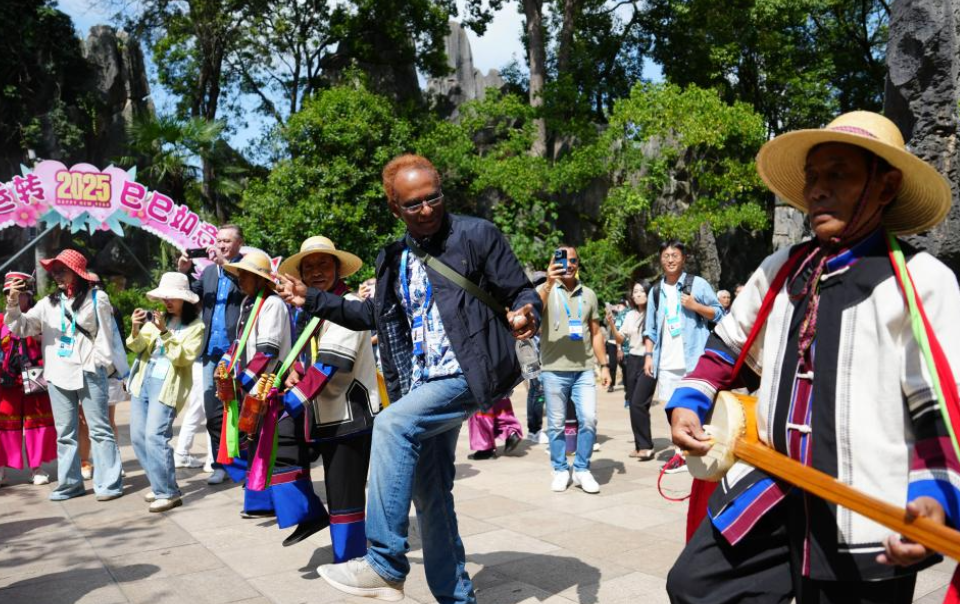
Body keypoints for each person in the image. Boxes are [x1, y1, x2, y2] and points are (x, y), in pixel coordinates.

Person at [664, 111, 960, 603]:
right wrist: (688, 403)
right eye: (813, 177)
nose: (818, 190)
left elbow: (938, 412)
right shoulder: (783, 269)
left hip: (867, 508)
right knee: (695, 585)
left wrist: (932, 501)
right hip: (774, 489)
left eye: (838, 174)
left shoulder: (922, 282)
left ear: (885, 186)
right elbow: (727, 345)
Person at [277, 153, 539, 603]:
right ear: (394, 207)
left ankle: (384, 562)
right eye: (413, 204)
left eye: (433, 197)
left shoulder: (477, 235)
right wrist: (311, 299)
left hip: (468, 371)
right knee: (430, 493)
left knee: (392, 424)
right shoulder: (392, 256)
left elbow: (520, 290)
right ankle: (457, 598)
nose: (426, 209)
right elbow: (371, 315)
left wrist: (527, 310)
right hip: (419, 382)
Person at [269, 236, 381, 557]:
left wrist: (290, 402)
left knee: (344, 492)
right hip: (321, 410)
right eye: (309, 267)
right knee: (279, 439)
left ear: (337, 269)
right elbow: (309, 358)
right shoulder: (311, 309)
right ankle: (308, 514)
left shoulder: (350, 304)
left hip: (350, 414)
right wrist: (293, 373)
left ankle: (349, 556)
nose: (316, 272)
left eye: (323, 264)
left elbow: (330, 363)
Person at [3, 249, 123, 501]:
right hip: (57, 375)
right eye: (54, 271)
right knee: (65, 433)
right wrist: (12, 303)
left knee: (100, 430)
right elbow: (21, 327)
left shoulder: (97, 298)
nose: (57, 275)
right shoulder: (47, 304)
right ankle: (70, 485)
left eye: (62, 270)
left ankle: (109, 484)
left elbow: (106, 335)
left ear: (77, 272)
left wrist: (100, 363)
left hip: (89, 371)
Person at [126, 272, 204, 512]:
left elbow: (183, 358)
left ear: (185, 299)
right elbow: (137, 346)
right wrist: (136, 327)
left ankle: (168, 492)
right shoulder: (158, 319)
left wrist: (164, 332)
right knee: (138, 437)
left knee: (155, 436)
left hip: (167, 386)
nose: (167, 301)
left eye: (172, 297)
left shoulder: (196, 326)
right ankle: (159, 483)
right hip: (143, 381)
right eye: (165, 297)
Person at [219, 251, 291, 506]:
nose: (240, 279)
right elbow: (239, 342)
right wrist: (225, 364)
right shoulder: (248, 303)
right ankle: (257, 499)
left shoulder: (272, 304)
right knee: (253, 440)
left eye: (246, 275)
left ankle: (266, 501)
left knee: (264, 442)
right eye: (240, 274)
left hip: (266, 382)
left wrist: (243, 380)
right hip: (252, 382)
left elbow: (268, 350)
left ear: (261, 279)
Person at [644, 241, 722, 474]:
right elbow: (650, 329)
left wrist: (695, 306)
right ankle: (681, 454)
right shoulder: (655, 291)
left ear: (683, 258)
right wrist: (648, 356)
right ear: (660, 259)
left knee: (698, 409)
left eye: (675, 255)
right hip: (666, 361)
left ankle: (701, 450)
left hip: (694, 358)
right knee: (673, 409)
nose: (670, 260)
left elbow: (720, 313)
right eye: (666, 255)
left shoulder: (697, 284)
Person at [538, 245, 611, 494]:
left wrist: (604, 365)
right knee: (556, 424)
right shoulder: (545, 290)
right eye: (562, 260)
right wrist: (549, 283)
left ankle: (581, 469)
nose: (568, 265)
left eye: (573, 260)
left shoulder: (588, 294)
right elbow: (533, 313)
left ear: (578, 264)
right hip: (553, 369)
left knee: (588, 420)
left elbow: (596, 333)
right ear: (553, 263)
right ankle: (560, 469)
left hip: (584, 370)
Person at [178, 225, 246, 485]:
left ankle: (243, 462)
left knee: (238, 406)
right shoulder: (208, 272)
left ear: (239, 243)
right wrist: (183, 271)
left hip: (236, 350)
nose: (221, 245)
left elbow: (248, 290)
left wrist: (225, 265)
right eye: (218, 240)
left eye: (227, 241)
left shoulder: (246, 268)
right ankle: (219, 463)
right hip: (210, 351)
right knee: (212, 408)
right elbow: (187, 295)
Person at [0, 272, 55, 486]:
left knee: (37, 421)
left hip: (35, 373)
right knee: (4, 422)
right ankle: (2, 467)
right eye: (8, 293)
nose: (13, 296)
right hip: (7, 378)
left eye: (19, 293)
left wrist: (37, 335)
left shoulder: (39, 316)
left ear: (29, 295)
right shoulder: (1, 319)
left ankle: (36, 467)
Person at [609, 281, 657, 460]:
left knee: (638, 403)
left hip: (649, 360)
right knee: (633, 404)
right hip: (632, 361)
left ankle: (646, 446)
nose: (637, 294)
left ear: (649, 293)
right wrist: (612, 325)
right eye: (635, 291)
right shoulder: (630, 315)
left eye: (642, 291)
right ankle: (640, 445)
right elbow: (620, 339)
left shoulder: (655, 314)